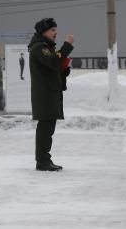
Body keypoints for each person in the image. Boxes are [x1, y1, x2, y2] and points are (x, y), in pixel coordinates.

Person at [28, 18, 74, 171]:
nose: (55, 33)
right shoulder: (39, 47)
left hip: (49, 93)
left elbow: (52, 67)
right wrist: (66, 46)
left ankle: (44, 159)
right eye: (52, 30)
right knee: (45, 128)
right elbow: (53, 62)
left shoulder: (46, 47)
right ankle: (42, 161)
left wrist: (63, 70)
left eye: (55, 30)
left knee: (48, 128)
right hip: (45, 94)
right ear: (43, 32)